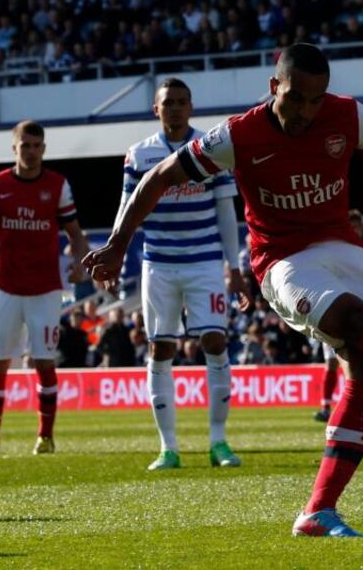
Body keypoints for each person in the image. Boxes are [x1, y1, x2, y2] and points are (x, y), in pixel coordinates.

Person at [83, 44, 363, 538]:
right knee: (350, 321)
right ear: (273, 88)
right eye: (296, 99)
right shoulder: (238, 135)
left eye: (315, 100)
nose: (306, 111)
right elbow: (158, 177)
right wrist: (117, 246)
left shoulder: (349, 115)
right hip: (281, 260)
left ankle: (317, 512)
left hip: (343, 250)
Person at [117, 77, 243, 471]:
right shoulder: (139, 155)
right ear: (156, 109)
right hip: (158, 264)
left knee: (215, 341)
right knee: (161, 348)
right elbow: (127, 210)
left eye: (181, 101)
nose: (174, 107)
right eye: (167, 102)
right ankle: (168, 447)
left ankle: (218, 442)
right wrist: (115, 257)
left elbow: (226, 211)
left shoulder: (211, 150)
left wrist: (234, 266)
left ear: (191, 107)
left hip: (205, 263)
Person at [0, 120, 90, 457]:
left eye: (36, 146)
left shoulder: (57, 185)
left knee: (44, 363)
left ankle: (45, 437)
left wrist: (80, 263)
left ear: (43, 149)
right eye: (24, 146)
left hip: (46, 290)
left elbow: (74, 231)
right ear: (14, 148)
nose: (30, 152)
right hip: (6, 288)